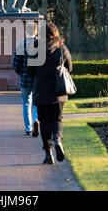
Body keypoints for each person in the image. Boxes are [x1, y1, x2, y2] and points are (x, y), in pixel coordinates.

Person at [28, 23, 73, 164]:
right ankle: (58, 139)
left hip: (41, 92)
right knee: (57, 119)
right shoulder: (61, 47)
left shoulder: (35, 49)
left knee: (44, 123)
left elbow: (30, 72)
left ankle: (48, 154)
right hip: (59, 92)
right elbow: (70, 67)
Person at [12, 21, 39, 136]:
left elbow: (16, 63)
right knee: (36, 103)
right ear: (36, 31)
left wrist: (21, 73)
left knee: (26, 103)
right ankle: (35, 119)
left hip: (25, 77)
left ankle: (28, 128)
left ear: (25, 31)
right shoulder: (40, 44)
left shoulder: (20, 44)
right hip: (37, 78)